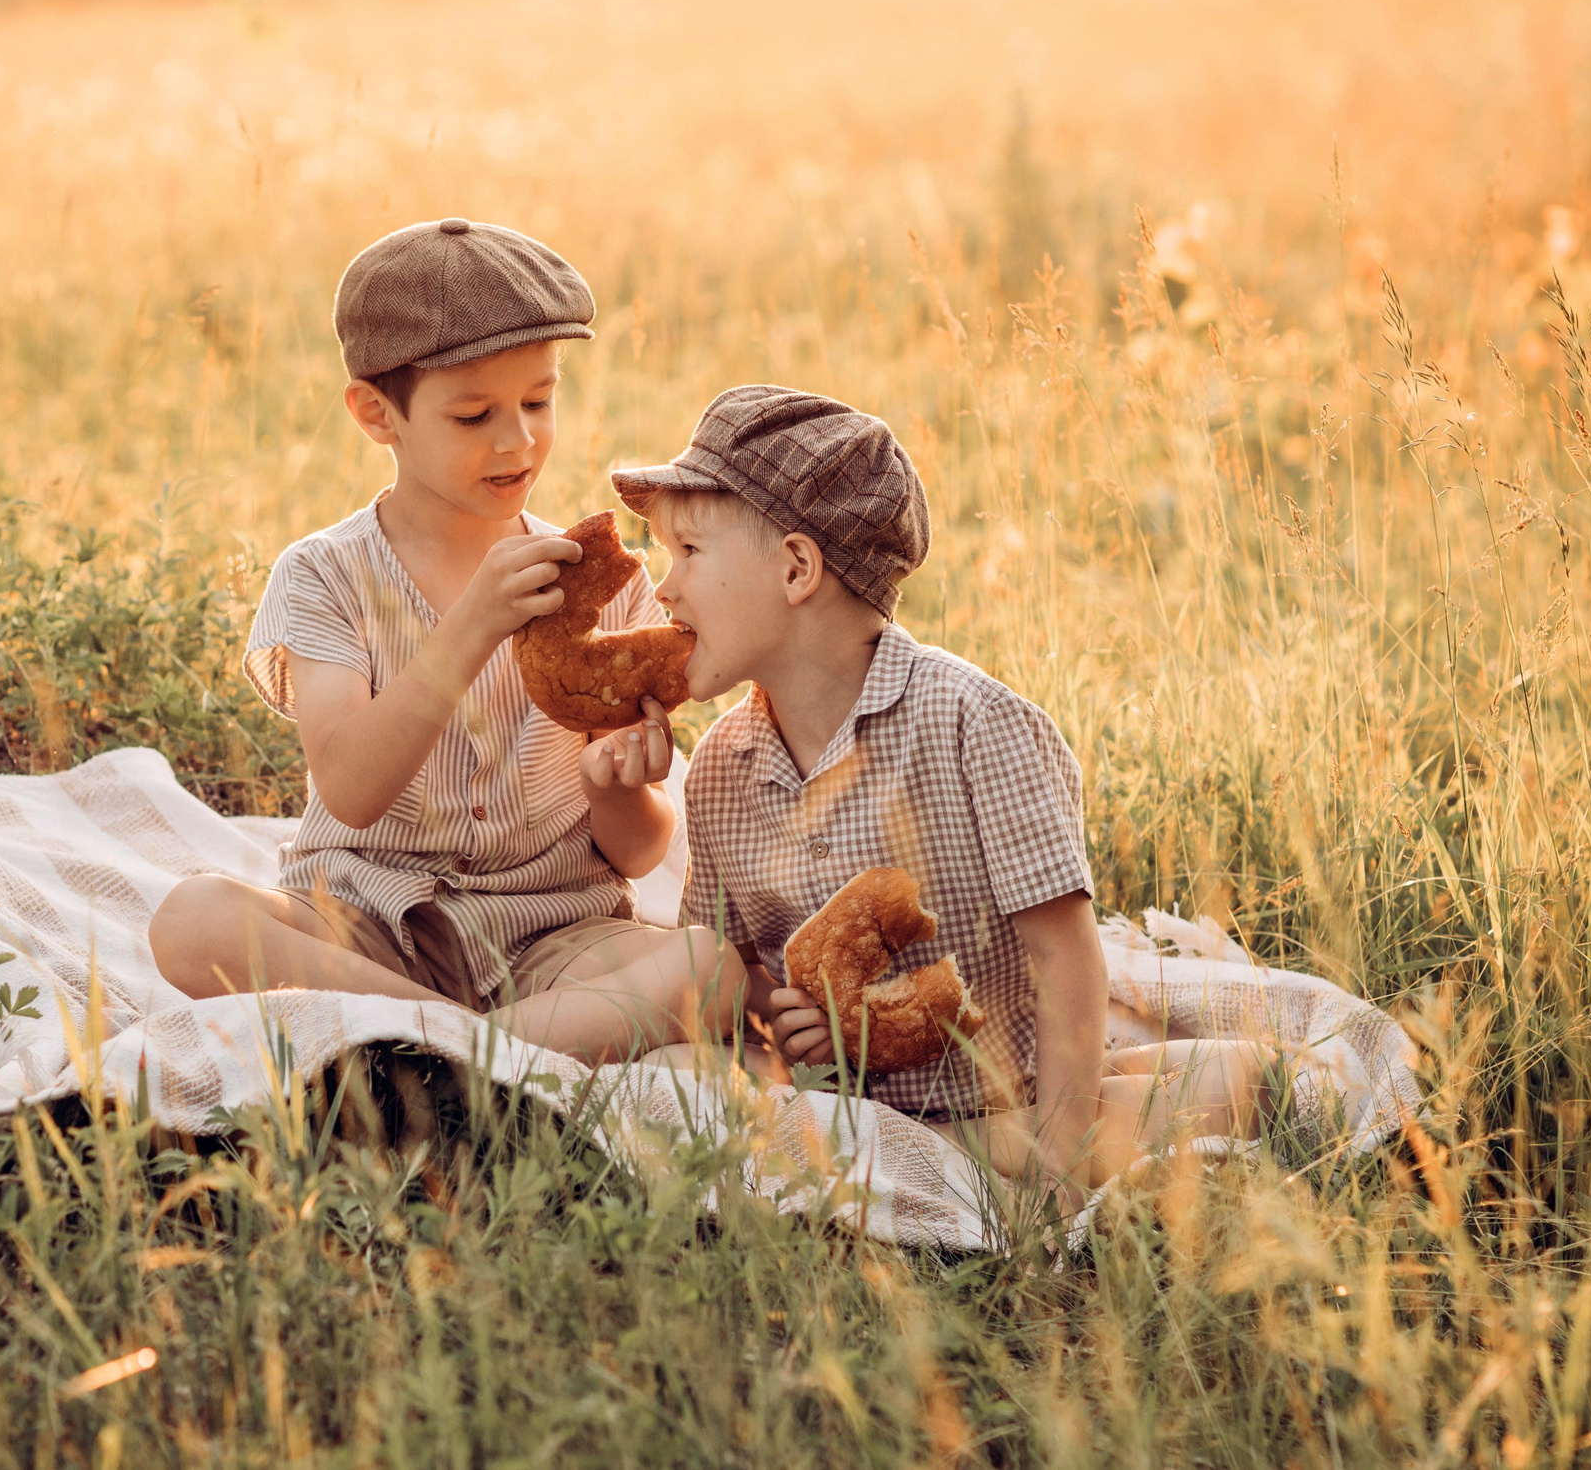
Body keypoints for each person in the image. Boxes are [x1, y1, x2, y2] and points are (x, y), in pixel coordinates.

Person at [614, 385, 1272, 1197]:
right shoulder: (721, 765)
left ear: (795, 567)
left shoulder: (975, 727)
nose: (664, 587)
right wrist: (790, 1016)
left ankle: (969, 1155)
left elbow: (1063, 951)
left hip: (1012, 1091)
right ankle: (938, 1157)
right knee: (672, 1075)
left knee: (1237, 1077)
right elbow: (734, 968)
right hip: (841, 1095)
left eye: (687, 551)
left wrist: (1064, 1144)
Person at [147, 218, 743, 1063]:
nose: (518, 439)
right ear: (375, 413)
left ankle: (439, 1049)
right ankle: (478, 1048)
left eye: (539, 401)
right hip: (367, 926)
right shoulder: (325, 574)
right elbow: (349, 787)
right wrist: (469, 629)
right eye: (473, 415)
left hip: (551, 930)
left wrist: (618, 789)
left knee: (710, 967)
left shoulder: (598, 581)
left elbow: (639, 850)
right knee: (192, 917)